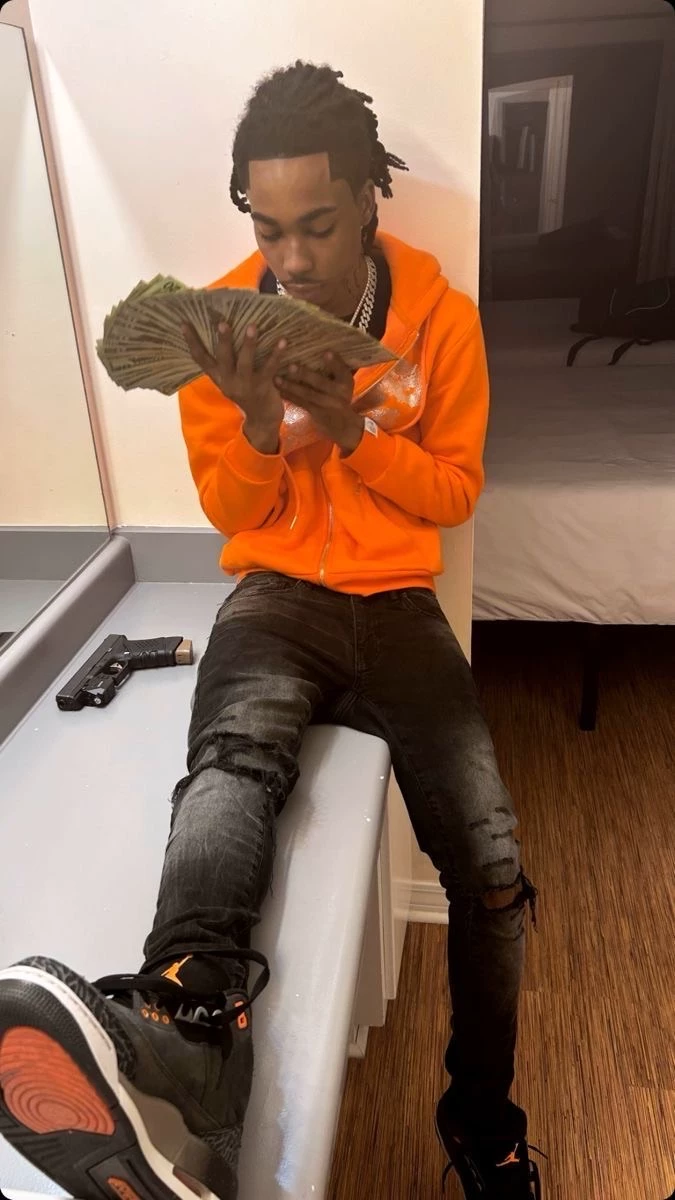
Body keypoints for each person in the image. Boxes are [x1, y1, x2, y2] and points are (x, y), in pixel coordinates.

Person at [0, 63, 541, 1200]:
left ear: (368, 200)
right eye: (267, 227)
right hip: (276, 596)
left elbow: (453, 494)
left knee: (493, 874)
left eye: (318, 225)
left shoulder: (439, 319)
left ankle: (483, 1126)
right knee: (228, 771)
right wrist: (254, 424)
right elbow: (232, 514)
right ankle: (186, 1038)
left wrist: (353, 433)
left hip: (398, 606)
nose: (290, 258)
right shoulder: (218, 328)